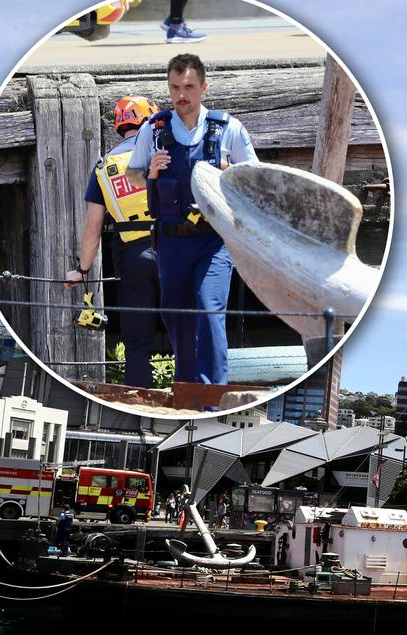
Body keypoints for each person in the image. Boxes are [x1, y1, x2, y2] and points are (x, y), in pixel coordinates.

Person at [127, 54, 257, 387]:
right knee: (175, 315)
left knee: (208, 306)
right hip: (170, 241)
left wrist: (233, 176)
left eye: (188, 87)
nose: (180, 95)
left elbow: (255, 181)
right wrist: (151, 172)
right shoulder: (153, 129)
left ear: (203, 87)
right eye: (174, 87)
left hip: (214, 240)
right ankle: (187, 386)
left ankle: (213, 388)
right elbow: (134, 176)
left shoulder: (228, 129)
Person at [67, 95, 164, 388]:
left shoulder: (103, 167)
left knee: (136, 339)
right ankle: (192, 397)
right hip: (174, 249)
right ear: (149, 119)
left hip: (133, 255)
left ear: (120, 128)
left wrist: (82, 270)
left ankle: (139, 394)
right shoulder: (165, 152)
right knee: (187, 327)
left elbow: (92, 227)